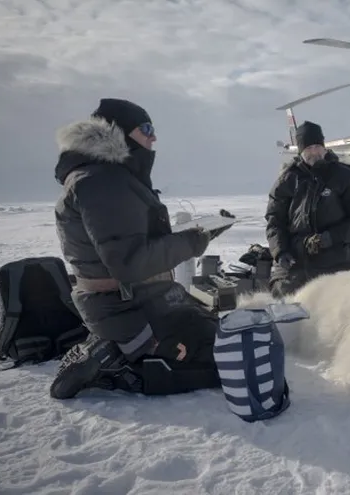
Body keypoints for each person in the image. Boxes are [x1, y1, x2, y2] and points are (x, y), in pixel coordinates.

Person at [51, 98, 223, 399]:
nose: (153, 137)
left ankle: (121, 347)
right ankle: (112, 361)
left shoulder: (111, 178)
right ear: (119, 134)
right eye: (146, 129)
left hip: (143, 299)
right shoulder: (102, 182)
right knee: (215, 361)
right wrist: (192, 242)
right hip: (124, 308)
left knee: (217, 331)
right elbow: (130, 262)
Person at [265, 121, 350, 297]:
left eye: (317, 146)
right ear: (301, 151)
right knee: (284, 311)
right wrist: (280, 251)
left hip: (334, 263)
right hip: (293, 266)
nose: (314, 152)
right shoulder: (287, 180)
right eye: (309, 148)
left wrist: (329, 238)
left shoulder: (345, 177)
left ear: (324, 147)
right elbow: (274, 221)